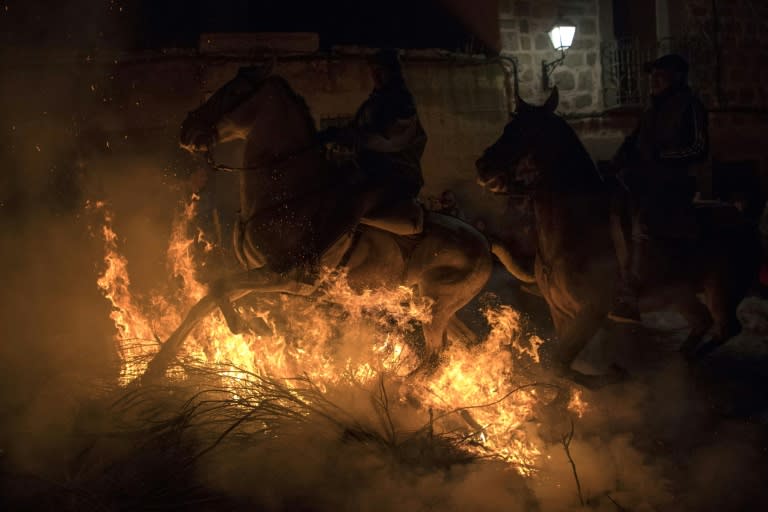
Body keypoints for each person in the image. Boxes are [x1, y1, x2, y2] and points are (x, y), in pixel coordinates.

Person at [608, 54, 709, 323]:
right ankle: (615, 277)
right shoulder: (650, 111)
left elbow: (699, 148)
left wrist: (663, 157)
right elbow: (632, 142)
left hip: (674, 183)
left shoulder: (691, 106)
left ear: (676, 77)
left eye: (660, 75)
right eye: (652, 75)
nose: (653, 80)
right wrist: (614, 163)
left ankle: (634, 290)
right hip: (643, 180)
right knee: (613, 212)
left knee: (644, 220)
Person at [317, 48, 427, 236]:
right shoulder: (373, 102)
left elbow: (393, 138)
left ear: (392, 72)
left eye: (380, 71)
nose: (376, 76)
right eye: (373, 72)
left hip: (394, 171)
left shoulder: (401, 102)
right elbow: (354, 130)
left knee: (355, 203)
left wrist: (353, 141)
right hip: (368, 167)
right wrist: (330, 135)